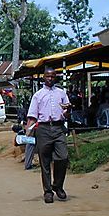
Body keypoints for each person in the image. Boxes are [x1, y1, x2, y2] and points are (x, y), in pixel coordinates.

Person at [26, 67, 71, 203]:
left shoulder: (62, 93)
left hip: (58, 128)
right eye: (47, 76)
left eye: (52, 76)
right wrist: (28, 131)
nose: (50, 79)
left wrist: (68, 111)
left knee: (63, 157)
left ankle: (58, 186)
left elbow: (66, 113)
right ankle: (48, 191)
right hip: (43, 129)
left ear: (55, 77)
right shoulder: (38, 95)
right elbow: (33, 116)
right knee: (44, 161)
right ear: (43, 77)